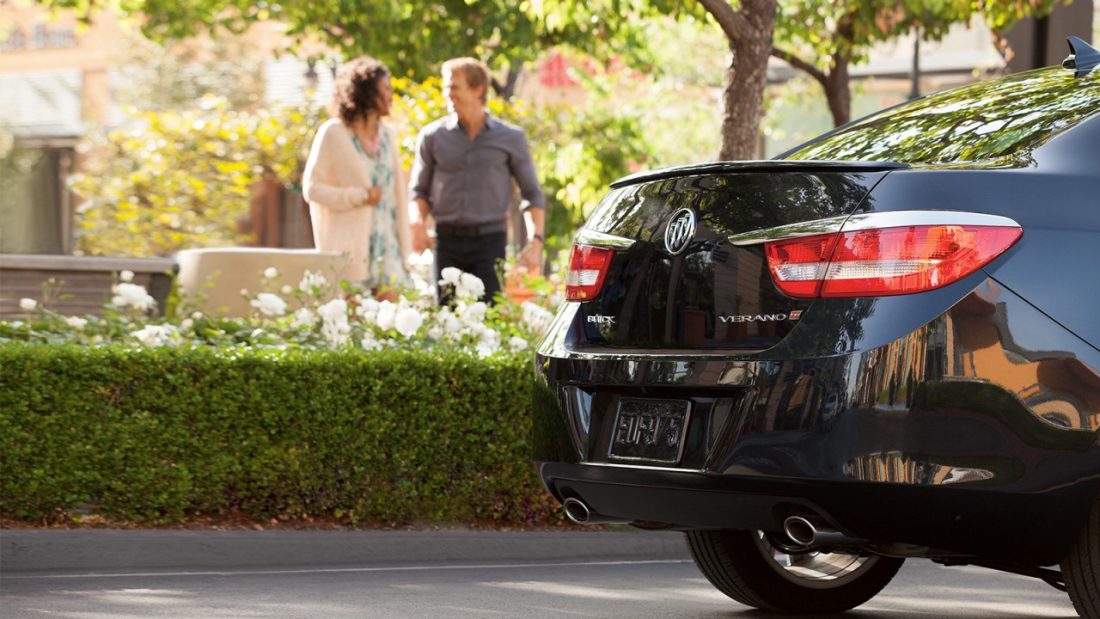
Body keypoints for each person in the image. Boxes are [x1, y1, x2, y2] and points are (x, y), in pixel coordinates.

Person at [408, 57, 545, 304]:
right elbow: (418, 191)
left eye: (453, 87)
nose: (447, 94)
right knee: (446, 323)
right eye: (446, 87)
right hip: (446, 241)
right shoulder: (432, 137)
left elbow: (531, 194)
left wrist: (535, 242)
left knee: (488, 320)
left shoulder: (510, 138)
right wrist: (417, 223)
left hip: (490, 242)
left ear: (477, 89)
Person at [303, 56, 410, 286]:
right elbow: (312, 190)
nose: (392, 96)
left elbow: (397, 197)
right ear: (367, 93)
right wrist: (360, 196)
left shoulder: (388, 135)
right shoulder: (333, 133)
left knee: (393, 319)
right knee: (355, 321)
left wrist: (406, 250)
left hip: (388, 249)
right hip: (350, 252)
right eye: (386, 89)